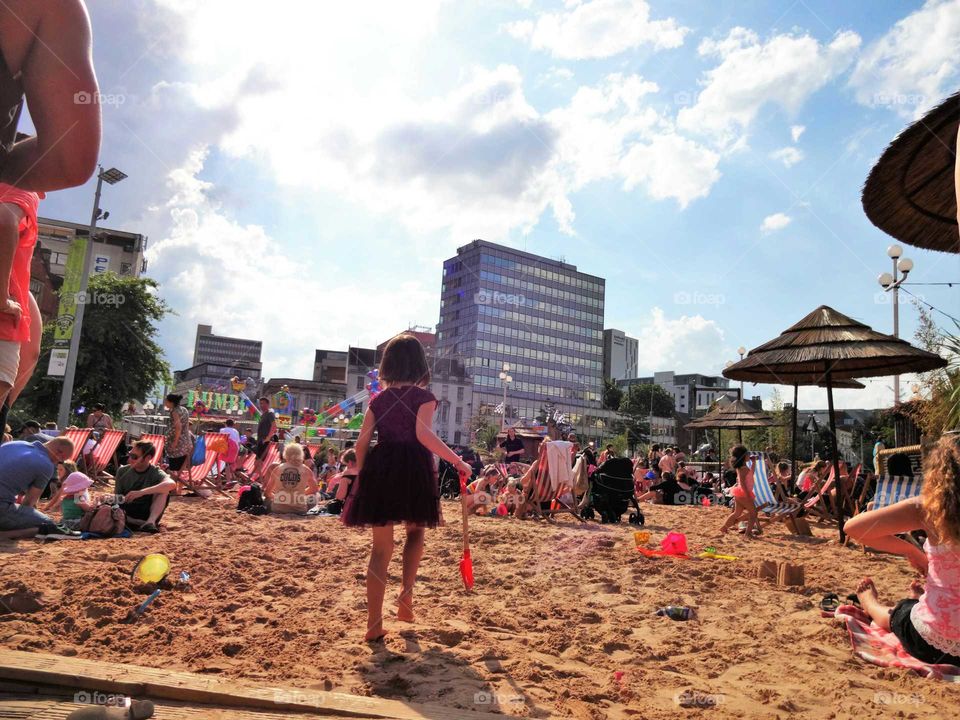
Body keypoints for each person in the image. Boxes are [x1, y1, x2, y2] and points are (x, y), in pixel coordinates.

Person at [342, 333, 471, 642]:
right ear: (419, 364)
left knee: (380, 549)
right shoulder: (423, 397)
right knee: (415, 532)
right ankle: (405, 600)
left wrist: (357, 471)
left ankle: (374, 624)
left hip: (381, 468)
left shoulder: (378, 400)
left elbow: (362, 442)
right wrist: (457, 460)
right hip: (413, 467)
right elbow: (423, 435)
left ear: (388, 364)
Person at [846, 434, 960, 666]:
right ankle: (922, 601)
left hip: (934, 642)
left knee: (901, 612)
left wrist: (911, 551)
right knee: (919, 607)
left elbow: (855, 528)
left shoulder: (929, 509)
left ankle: (871, 604)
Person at [0, 437, 74, 536]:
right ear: (59, 452)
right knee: (49, 524)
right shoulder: (46, 464)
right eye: (61, 460)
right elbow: (28, 503)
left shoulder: (14, 444)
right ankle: (5, 535)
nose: (57, 464)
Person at [115, 440, 175, 532]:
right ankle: (141, 523)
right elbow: (117, 497)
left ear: (148, 458)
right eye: (130, 455)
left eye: (134, 457)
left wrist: (141, 493)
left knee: (163, 491)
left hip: (148, 511)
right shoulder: (122, 471)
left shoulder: (155, 472)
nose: (129, 459)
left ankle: (150, 522)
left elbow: (171, 484)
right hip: (127, 511)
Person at [263, 442, 318, 515]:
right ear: (301, 454)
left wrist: (277, 497)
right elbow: (314, 489)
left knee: (266, 499)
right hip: (299, 510)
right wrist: (300, 494)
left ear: (285, 454)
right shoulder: (306, 469)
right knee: (315, 497)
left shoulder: (278, 468)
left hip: (278, 509)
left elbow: (267, 493)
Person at [719, 445, 761, 538]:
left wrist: (753, 463)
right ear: (743, 456)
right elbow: (742, 483)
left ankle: (724, 527)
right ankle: (748, 533)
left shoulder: (743, 467)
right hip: (744, 494)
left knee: (737, 513)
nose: (749, 456)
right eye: (747, 454)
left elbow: (751, 473)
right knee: (754, 513)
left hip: (740, 494)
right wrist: (747, 495)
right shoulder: (742, 469)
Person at [163, 394, 192, 481]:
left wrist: (174, 442)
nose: (165, 402)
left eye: (166, 401)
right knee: (180, 467)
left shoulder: (174, 411)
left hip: (178, 444)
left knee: (174, 467)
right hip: (186, 441)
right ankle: (177, 487)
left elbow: (178, 427)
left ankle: (173, 487)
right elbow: (186, 426)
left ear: (171, 402)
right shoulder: (184, 409)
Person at [251, 397, 277, 481]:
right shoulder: (263, 415)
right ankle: (258, 478)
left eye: (263, 403)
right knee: (257, 462)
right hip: (260, 440)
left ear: (267, 404)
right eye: (260, 403)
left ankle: (260, 479)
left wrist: (268, 438)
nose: (261, 405)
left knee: (259, 462)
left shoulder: (270, 413)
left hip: (264, 440)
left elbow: (274, 426)